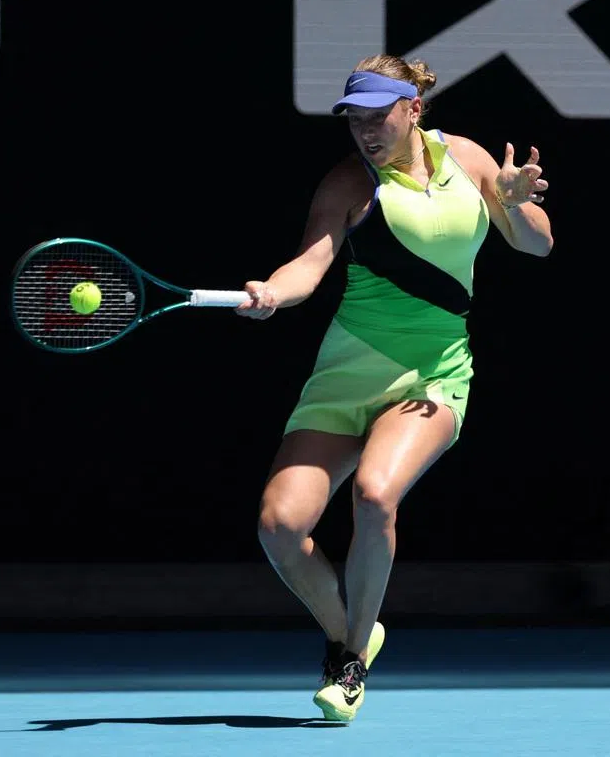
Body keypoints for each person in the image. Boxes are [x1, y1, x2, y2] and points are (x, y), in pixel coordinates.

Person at [236, 54, 554, 722]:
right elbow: (309, 264)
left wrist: (517, 204)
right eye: (355, 120)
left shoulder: (469, 161)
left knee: (376, 493)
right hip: (347, 372)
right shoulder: (349, 183)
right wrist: (273, 289)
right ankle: (353, 631)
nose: (365, 132)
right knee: (279, 524)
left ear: (413, 110)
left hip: (436, 371)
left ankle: (347, 662)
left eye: (378, 117)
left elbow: (537, 247)